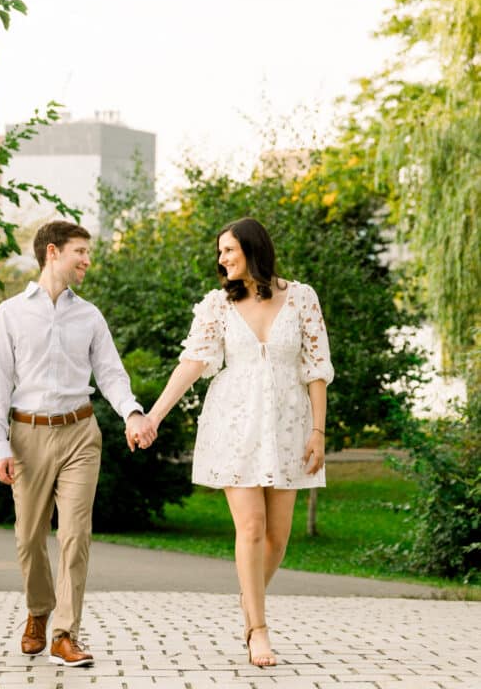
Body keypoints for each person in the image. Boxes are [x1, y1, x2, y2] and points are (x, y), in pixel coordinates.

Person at [144, 217, 333, 668]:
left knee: (277, 537)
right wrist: (154, 415)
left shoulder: (302, 297)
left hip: (289, 426)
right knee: (249, 528)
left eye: (228, 250)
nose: (221, 259)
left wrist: (319, 431)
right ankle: (258, 630)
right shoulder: (217, 306)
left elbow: (317, 367)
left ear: (252, 249)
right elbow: (193, 363)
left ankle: (249, 600)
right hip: (234, 426)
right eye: (220, 252)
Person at [0, 220, 155, 668]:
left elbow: (112, 373)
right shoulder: (11, 314)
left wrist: (132, 413)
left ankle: (65, 633)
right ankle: (38, 612)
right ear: (53, 252)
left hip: (80, 432)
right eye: (80, 251)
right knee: (28, 538)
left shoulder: (90, 316)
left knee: (76, 535)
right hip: (27, 435)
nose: (87, 260)